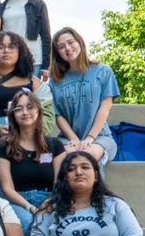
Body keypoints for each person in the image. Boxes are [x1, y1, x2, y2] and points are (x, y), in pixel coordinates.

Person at [0, 90, 66, 236]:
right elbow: (7, 188)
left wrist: (49, 203)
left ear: (39, 111)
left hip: (50, 199)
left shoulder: (54, 145)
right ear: (12, 115)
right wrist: (31, 207)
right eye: (19, 108)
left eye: (30, 107)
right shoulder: (3, 147)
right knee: (27, 220)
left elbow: (59, 182)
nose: (25, 112)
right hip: (18, 201)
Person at [48, 28, 120, 165]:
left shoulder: (102, 70)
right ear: (57, 52)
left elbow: (105, 107)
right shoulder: (55, 80)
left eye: (70, 42)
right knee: (65, 156)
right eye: (61, 47)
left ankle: (96, 187)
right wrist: (74, 139)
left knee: (87, 156)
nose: (67, 48)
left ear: (80, 42)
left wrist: (90, 138)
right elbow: (57, 115)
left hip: (100, 138)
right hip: (67, 138)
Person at [0, 0, 52, 75]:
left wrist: (46, 66)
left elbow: (46, 36)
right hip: (9, 59)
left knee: (29, 92)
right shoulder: (1, 7)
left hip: (33, 59)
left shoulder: (38, 4)